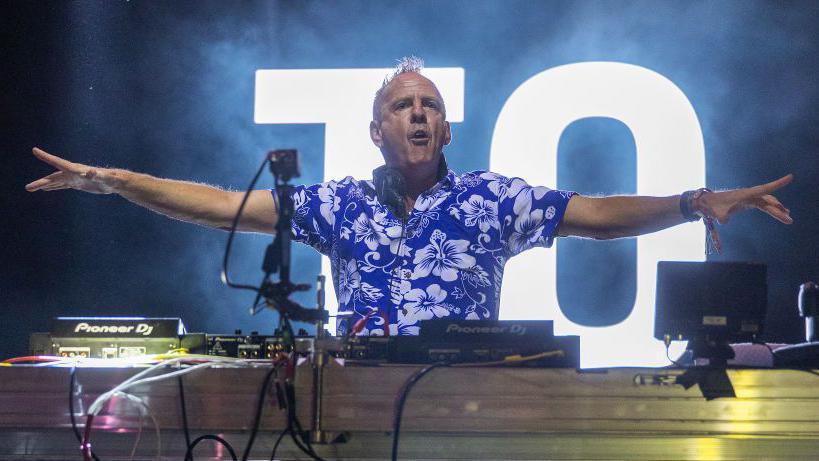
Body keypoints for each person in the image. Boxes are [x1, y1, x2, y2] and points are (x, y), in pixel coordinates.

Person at [26, 57, 793, 337]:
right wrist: (115, 181)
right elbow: (219, 206)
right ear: (376, 131)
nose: (419, 112)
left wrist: (693, 200)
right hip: (354, 395)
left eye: (429, 105)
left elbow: (596, 216)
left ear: (447, 129)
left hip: (465, 400)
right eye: (403, 105)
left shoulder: (492, 201)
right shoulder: (338, 205)